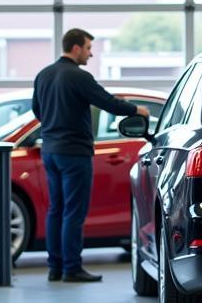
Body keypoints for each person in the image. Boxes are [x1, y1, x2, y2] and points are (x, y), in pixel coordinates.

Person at [32, 28, 150, 283]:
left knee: (56, 209)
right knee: (73, 211)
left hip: (50, 151)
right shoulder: (78, 76)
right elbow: (108, 103)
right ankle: (72, 268)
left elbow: (37, 110)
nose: (91, 53)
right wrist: (137, 110)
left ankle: (56, 267)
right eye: (88, 48)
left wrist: (54, 126)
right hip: (74, 153)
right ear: (76, 48)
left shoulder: (44, 75)